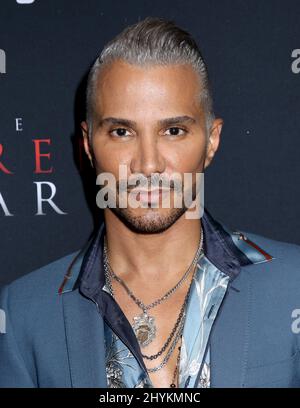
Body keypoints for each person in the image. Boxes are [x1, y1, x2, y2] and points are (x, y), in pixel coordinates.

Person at [1, 16, 300, 388]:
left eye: (173, 131)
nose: (148, 164)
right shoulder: (21, 316)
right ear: (88, 144)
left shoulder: (294, 285)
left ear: (211, 140)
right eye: (122, 132)